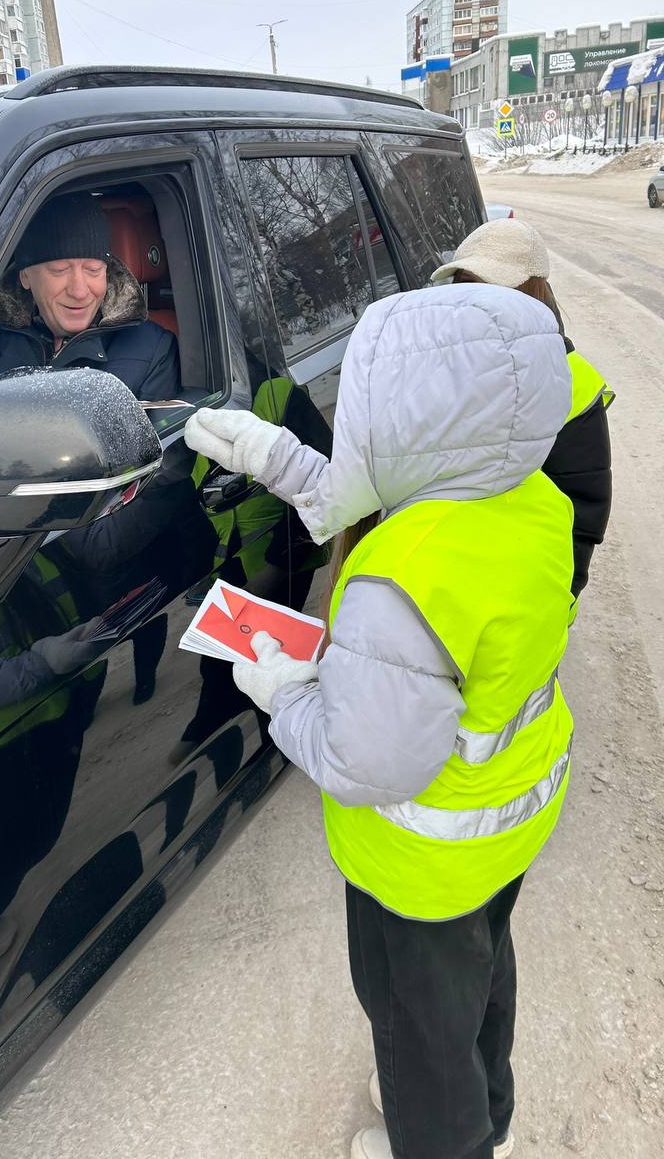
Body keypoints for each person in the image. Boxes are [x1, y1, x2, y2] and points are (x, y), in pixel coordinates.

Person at [184, 282, 575, 1159]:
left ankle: (443, 1138)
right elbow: (402, 491)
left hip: (420, 859)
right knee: (479, 982)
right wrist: (279, 457)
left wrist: (283, 691)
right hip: (506, 817)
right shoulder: (526, 496)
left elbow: (363, 762)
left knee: (414, 1025)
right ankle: (489, 1117)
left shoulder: (398, 579)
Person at [432, 218, 613, 605]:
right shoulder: (440, 363)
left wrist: (554, 604)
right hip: (443, 581)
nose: (471, 300)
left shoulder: (571, 383)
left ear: (529, 292)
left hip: (520, 592)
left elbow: (582, 514)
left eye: (488, 287)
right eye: (463, 284)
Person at [0, 191, 180, 414]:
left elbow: (156, 439)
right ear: (25, 276)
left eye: (93, 270)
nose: (79, 291)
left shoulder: (152, 348)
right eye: (59, 270)